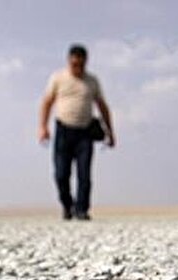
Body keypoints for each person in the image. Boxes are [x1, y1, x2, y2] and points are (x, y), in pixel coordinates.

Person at [38, 44, 115, 221]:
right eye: (74, 64)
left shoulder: (92, 81)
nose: (77, 68)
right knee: (61, 174)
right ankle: (67, 205)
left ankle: (82, 210)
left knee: (84, 175)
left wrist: (110, 132)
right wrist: (43, 127)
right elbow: (47, 102)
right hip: (63, 130)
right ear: (69, 61)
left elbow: (102, 106)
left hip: (85, 132)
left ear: (86, 62)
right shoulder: (58, 78)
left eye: (81, 65)